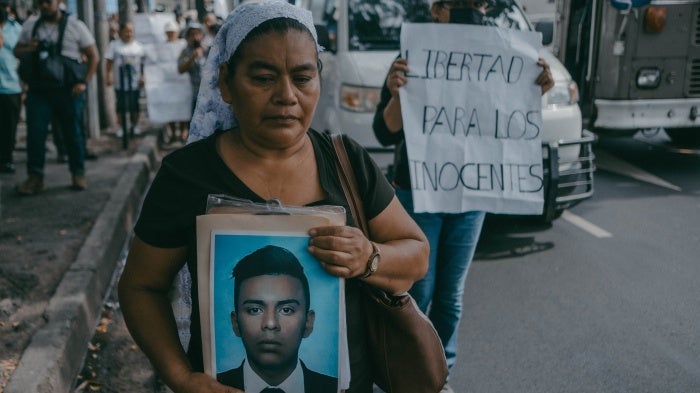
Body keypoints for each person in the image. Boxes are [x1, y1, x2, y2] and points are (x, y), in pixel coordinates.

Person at [117, 2, 429, 393]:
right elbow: (139, 287)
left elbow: (416, 254)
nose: (286, 96)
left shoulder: (346, 161)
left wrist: (369, 258)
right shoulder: (187, 176)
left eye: (302, 77)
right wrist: (180, 377)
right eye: (263, 78)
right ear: (226, 83)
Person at [372, 1, 554, 391]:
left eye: (475, 4)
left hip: (470, 197)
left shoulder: (504, 52)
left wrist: (534, 84)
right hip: (418, 194)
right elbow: (384, 132)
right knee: (417, 290)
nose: (467, 12)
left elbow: (507, 115)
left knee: (451, 295)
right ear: (436, 10)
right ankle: (406, 373)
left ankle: (440, 375)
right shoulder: (412, 55)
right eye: (454, 5)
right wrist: (397, 93)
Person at [217, 245, 338, 392]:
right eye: (254, 310)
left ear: (308, 322)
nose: (270, 323)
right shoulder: (208, 386)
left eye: (286, 310)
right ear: (235, 323)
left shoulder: (338, 388)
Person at [14, 0, 98, 194]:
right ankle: (35, 178)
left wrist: (84, 82)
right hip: (39, 90)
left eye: (49, 2)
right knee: (35, 134)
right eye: (40, 2)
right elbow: (17, 50)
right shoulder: (30, 25)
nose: (45, 6)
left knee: (73, 133)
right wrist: (29, 48)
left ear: (59, 2)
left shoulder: (75, 25)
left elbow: (94, 55)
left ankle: (78, 173)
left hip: (68, 90)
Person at [105, 21, 145, 137]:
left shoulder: (139, 46)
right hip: (119, 82)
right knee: (121, 106)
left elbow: (143, 64)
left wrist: (143, 76)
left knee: (135, 105)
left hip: (135, 82)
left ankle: (134, 126)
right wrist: (108, 76)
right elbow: (108, 62)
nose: (129, 33)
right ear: (121, 32)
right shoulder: (114, 45)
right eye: (126, 31)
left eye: (131, 31)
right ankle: (122, 127)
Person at [0, 0, 22, 174]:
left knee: (9, 127)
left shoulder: (17, 29)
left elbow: (25, 57)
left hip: (10, 85)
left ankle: (6, 158)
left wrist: (26, 82)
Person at [177, 22, 206, 141]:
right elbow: (180, 69)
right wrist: (192, 58)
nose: (195, 37)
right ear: (188, 36)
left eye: (198, 34)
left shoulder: (209, 49)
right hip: (193, 93)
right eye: (192, 34)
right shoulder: (185, 51)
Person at [161, 20, 187, 143]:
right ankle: (172, 133)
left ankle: (183, 132)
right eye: (169, 32)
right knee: (170, 109)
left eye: (173, 32)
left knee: (183, 107)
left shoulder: (183, 44)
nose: (171, 34)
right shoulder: (162, 46)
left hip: (182, 82)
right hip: (168, 82)